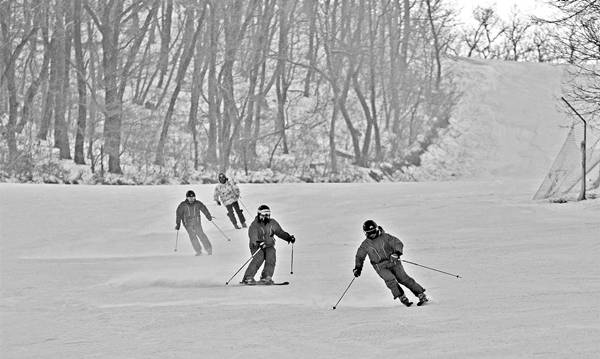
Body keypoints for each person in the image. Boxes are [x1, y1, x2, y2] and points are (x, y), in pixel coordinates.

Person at [353, 220, 429, 306]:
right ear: (365, 233)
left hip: (393, 261)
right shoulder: (365, 244)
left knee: (403, 278)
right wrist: (358, 268)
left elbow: (397, 243)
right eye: (369, 233)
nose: (372, 234)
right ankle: (402, 297)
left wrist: (396, 253)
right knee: (390, 280)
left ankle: (421, 294)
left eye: (373, 231)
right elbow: (360, 256)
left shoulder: (386, 237)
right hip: (380, 266)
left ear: (376, 229)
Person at [241, 205, 295, 285]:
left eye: (268, 214)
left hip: (269, 245)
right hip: (257, 246)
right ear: (259, 214)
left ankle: (266, 277)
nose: (266, 216)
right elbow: (253, 236)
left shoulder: (272, 223)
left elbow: (279, 232)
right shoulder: (254, 225)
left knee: (271, 259)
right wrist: (258, 242)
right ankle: (248, 277)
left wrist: (288, 238)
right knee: (258, 258)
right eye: (264, 214)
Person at [175, 190, 214, 256]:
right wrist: (178, 224)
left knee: (201, 234)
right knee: (193, 236)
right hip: (187, 224)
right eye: (190, 198)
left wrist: (208, 216)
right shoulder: (183, 205)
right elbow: (179, 214)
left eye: (193, 197)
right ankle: (198, 250)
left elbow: (204, 209)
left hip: (197, 222)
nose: (192, 199)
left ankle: (208, 249)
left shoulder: (198, 203)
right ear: (187, 198)